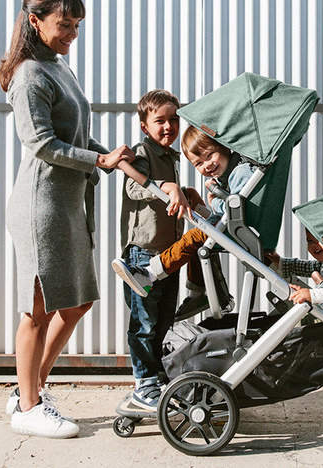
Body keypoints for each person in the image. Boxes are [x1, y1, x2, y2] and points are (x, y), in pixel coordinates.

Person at [0, 0, 134, 439]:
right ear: (35, 21)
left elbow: (72, 136)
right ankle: (28, 407)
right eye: (65, 24)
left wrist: (111, 157)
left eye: (77, 25)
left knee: (77, 303)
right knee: (36, 310)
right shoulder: (28, 75)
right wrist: (98, 160)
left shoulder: (58, 66)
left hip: (67, 204)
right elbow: (40, 143)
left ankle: (30, 388)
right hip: (42, 207)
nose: (72, 34)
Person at [111, 90, 202, 411]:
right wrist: (167, 186)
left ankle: (159, 378)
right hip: (143, 255)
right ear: (144, 126)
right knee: (145, 324)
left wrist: (186, 191)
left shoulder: (171, 156)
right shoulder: (142, 152)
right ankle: (144, 383)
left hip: (168, 255)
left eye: (174, 120)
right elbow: (134, 186)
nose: (168, 127)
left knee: (163, 321)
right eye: (160, 121)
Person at [113, 125, 253, 321]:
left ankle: (149, 274)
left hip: (240, 228)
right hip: (233, 226)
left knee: (194, 237)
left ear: (224, 146)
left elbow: (235, 207)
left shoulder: (241, 172)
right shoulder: (229, 173)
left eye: (210, 155)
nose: (207, 165)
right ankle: (198, 293)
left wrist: (215, 201)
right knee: (201, 240)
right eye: (199, 163)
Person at [266, 229, 323, 307]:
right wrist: (279, 261)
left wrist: (313, 294)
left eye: (320, 240)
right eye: (310, 241)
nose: (314, 245)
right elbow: (304, 266)